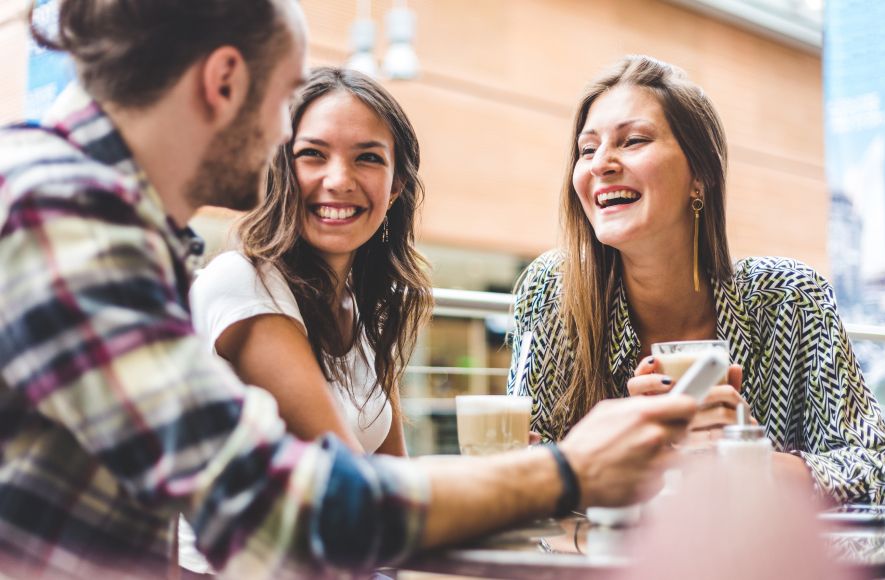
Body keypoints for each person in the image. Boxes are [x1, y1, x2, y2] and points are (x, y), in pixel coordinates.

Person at [0, 3, 698, 578]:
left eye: (367, 157)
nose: (284, 138)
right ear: (223, 82)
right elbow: (276, 509)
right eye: (287, 105)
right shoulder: (61, 215)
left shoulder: (105, 217)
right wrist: (566, 470)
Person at [507, 54, 885, 505]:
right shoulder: (550, 290)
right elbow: (522, 464)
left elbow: (881, 468)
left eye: (632, 140)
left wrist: (749, 460)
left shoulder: (790, 298)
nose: (601, 164)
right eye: (587, 149)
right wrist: (617, 452)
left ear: (701, 174)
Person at [190, 67, 431, 458]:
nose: (339, 180)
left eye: (367, 157)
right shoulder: (244, 284)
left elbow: (393, 473)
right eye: (312, 154)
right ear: (279, 169)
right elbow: (355, 483)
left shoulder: (363, 308)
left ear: (395, 188)